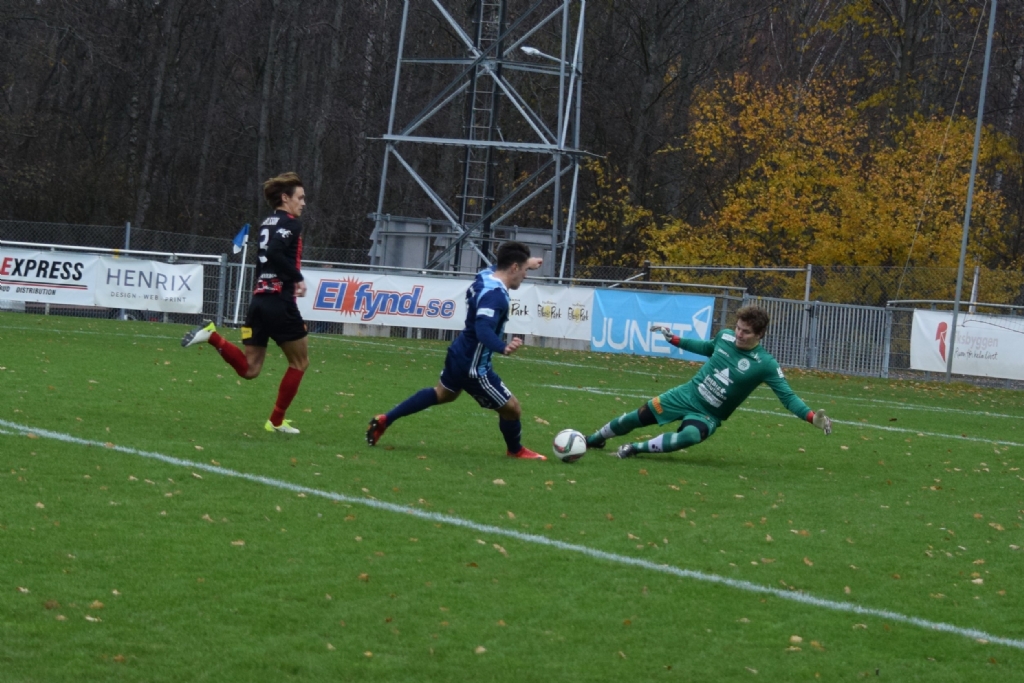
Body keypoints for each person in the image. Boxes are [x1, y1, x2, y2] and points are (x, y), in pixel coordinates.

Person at [366, 241, 547, 460]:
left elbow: (501, 265)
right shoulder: (495, 296)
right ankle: (515, 450)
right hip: (473, 367)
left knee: (442, 394)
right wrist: (503, 346)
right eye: (525, 270)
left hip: (459, 352)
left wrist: (528, 261)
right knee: (513, 409)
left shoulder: (486, 276)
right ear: (514, 267)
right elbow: (483, 329)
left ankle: (386, 420)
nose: (526, 275)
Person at [585, 305, 832, 458]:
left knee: (690, 436)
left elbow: (787, 397)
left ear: (759, 334)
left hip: (708, 415)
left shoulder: (765, 364)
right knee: (635, 417)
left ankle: (635, 449)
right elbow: (706, 347)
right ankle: (594, 439)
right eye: (738, 328)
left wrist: (811, 417)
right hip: (685, 395)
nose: (739, 334)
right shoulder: (725, 337)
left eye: (746, 332)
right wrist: (674, 339)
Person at [181, 171, 310, 434]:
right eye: (300, 197)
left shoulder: (266, 223)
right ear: (285, 198)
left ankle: (212, 337)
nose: (303, 203)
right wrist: (297, 278)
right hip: (279, 302)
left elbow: (264, 259)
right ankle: (275, 422)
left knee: (250, 369)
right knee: (299, 363)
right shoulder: (292, 223)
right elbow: (274, 252)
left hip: (259, 301)